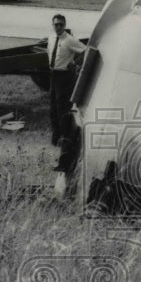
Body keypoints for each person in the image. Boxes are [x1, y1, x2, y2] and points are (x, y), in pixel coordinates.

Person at [47, 14, 86, 170]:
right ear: (53, 25)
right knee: (53, 109)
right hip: (53, 75)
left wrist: (74, 63)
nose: (58, 27)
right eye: (56, 24)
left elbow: (85, 51)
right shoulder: (51, 38)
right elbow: (49, 53)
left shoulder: (69, 40)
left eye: (61, 25)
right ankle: (57, 138)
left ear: (64, 25)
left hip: (64, 77)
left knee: (62, 110)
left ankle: (66, 142)